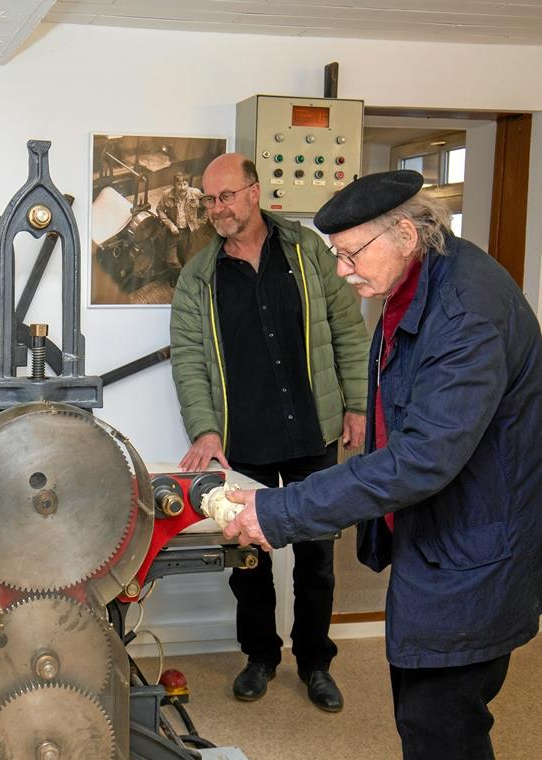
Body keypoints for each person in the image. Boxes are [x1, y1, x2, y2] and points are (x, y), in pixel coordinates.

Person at [224, 169, 542, 759]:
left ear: (403, 232)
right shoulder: (416, 281)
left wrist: (281, 509)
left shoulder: (466, 310)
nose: (343, 272)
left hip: (473, 555)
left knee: (440, 728)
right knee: (424, 717)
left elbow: (421, 457)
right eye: (336, 256)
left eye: (350, 255)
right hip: (440, 544)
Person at [169, 153, 369, 712]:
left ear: (255, 193)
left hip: (313, 431)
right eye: (209, 199)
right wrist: (205, 430)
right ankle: (259, 657)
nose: (216, 209)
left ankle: (315, 663)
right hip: (244, 440)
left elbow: (348, 332)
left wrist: (357, 404)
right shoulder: (200, 276)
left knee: (318, 560)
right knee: (247, 559)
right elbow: (187, 360)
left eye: (226, 196)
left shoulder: (308, 253)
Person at [156, 171, 207, 265]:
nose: (182, 188)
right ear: (174, 185)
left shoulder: (196, 193)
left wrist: (200, 222)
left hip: (189, 231)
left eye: (185, 184)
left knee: (185, 257)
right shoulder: (166, 195)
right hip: (173, 231)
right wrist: (170, 225)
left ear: (188, 184)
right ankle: (178, 276)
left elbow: (208, 206)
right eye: (179, 184)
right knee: (171, 261)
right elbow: (160, 209)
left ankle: (181, 277)